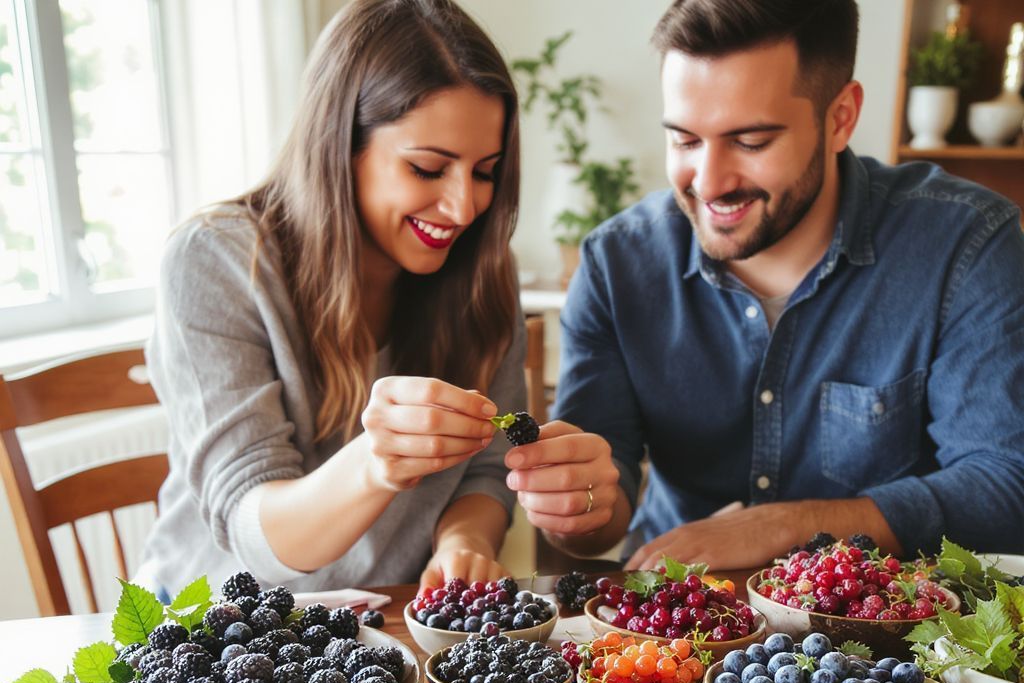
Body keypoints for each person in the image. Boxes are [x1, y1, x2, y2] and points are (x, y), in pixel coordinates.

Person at [507, 0, 1024, 570]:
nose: (709, 182)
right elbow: (597, 515)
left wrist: (788, 526)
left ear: (840, 118)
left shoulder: (967, 244)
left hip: (884, 637)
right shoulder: (616, 264)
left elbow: (1006, 489)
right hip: (669, 626)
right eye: (683, 140)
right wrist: (575, 506)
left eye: (751, 142)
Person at [140, 0, 526, 598]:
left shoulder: (481, 272)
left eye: (485, 171)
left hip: (379, 630)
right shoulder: (213, 259)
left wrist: (463, 543)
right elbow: (255, 538)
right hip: (213, 635)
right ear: (339, 146)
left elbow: (485, 470)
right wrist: (375, 463)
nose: (465, 208)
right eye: (428, 168)